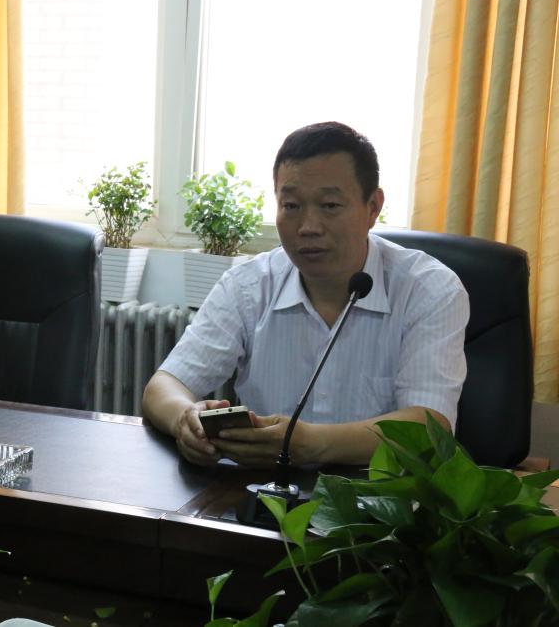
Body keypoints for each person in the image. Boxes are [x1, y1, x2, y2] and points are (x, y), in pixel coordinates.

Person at [142, 122, 469, 468]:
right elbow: (164, 386)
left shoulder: (428, 289)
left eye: (330, 205)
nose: (308, 227)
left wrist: (311, 444)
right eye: (292, 205)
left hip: (380, 493)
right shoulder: (248, 286)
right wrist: (186, 419)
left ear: (373, 207)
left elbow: (429, 427)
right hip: (263, 488)